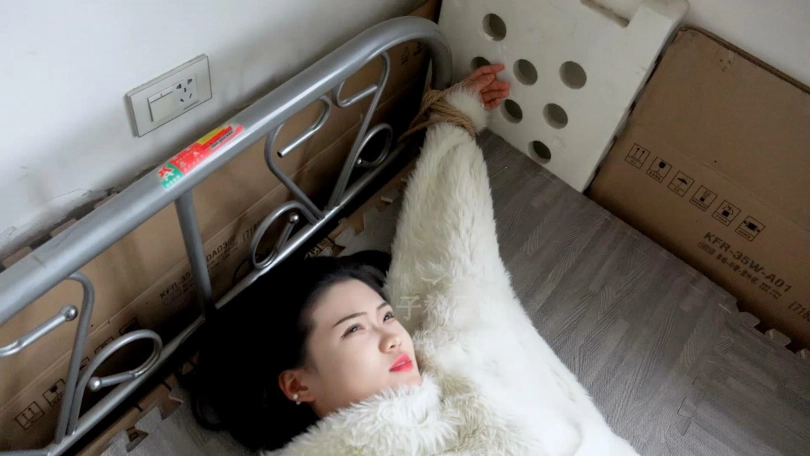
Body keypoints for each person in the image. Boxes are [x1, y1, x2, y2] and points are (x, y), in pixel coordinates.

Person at [194, 64, 639, 455]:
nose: (393, 338)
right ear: (297, 384)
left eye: (386, 316)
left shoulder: (447, 351)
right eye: (353, 330)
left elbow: (455, 252)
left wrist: (454, 120)